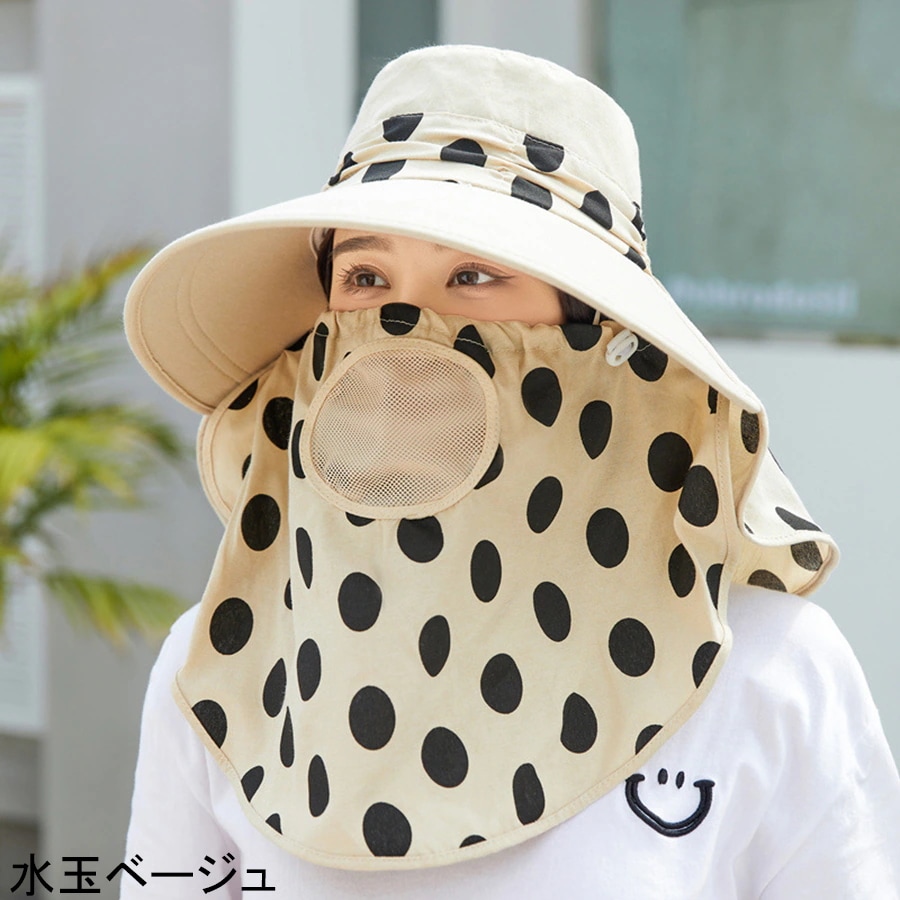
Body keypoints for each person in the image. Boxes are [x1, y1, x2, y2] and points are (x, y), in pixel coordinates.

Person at [122, 45, 900, 898]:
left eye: (474, 275)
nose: (403, 325)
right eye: (365, 276)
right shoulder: (226, 666)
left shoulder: (766, 671)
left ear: (599, 334)